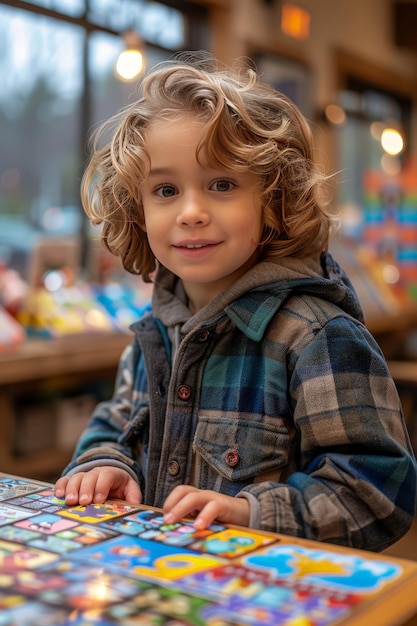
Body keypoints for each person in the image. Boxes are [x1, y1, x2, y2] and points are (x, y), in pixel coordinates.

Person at [55, 51, 417, 551]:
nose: (192, 212)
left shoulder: (317, 337)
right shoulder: (154, 330)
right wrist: (103, 463)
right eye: (164, 189)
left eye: (222, 184)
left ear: (273, 201)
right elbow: (115, 422)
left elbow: (377, 492)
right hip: (164, 582)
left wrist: (253, 513)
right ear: (136, 209)